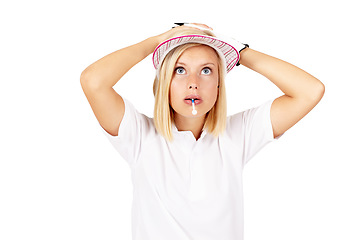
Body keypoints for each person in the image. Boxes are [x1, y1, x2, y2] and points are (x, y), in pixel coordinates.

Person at [80, 23, 325, 240]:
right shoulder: (139, 136)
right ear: (164, 82)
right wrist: (157, 41)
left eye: (206, 70)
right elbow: (93, 81)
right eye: (180, 70)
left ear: (219, 86)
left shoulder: (238, 135)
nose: (193, 82)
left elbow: (310, 91)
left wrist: (239, 52)